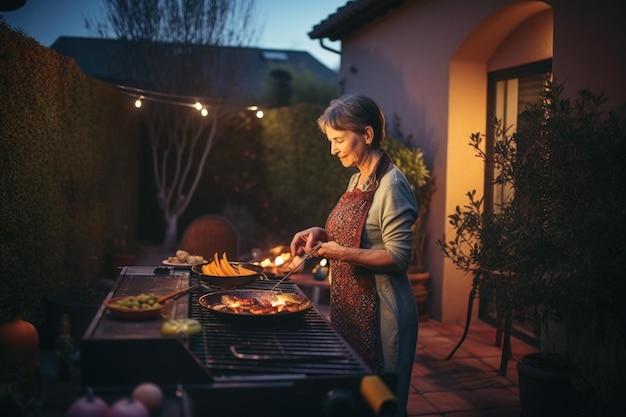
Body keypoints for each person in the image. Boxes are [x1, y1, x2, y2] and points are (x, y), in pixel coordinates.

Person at [290, 93, 419, 416]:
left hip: (383, 315)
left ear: (367, 134)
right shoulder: (357, 178)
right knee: (355, 401)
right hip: (349, 310)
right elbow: (354, 233)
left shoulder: (392, 185)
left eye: (338, 140)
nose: (332, 149)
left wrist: (342, 253)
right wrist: (320, 234)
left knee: (381, 404)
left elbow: (398, 257)